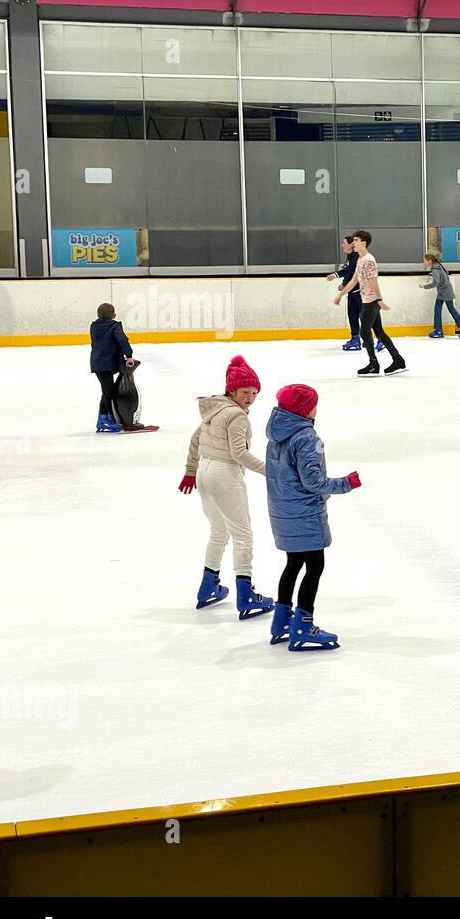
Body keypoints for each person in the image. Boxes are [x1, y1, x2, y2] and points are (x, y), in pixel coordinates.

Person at [264, 383, 361, 651]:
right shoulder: (307, 437)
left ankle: (282, 620)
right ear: (307, 408)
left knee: (293, 563)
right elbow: (314, 482)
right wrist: (345, 483)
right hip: (304, 514)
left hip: (283, 511)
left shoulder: (277, 434)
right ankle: (303, 625)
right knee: (314, 566)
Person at [179, 355, 274, 619]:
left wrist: (190, 472)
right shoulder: (237, 417)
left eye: (255, 392)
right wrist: (271, 471)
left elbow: (196, 440)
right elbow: (239, 454)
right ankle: (246, 596)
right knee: (243, 535)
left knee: (219, 531)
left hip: (205, 473)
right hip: (224, 475)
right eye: (245, 392)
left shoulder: (215, 409)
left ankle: (208, 587)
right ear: (232, 389)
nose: (251, 397)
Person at [336, 230, 405, 377]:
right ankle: (398, 360)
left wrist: (379, 300)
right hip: (366, 299)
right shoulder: (361, 259)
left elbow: (373, 281)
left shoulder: (368, 260)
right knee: (379, 331)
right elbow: (354, 280)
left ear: (363, 242)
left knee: (364, 331)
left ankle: (374, 363)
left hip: (371, 301)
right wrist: (341, 295)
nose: (353, 243)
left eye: (356, 240)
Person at [89, 303, 135, 434]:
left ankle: (110, 417)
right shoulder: (114, 326)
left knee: (109, 391)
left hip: (99, 363)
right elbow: (122, 341)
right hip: (107, 364)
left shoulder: (94, 326)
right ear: (114, 315)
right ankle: (103, 419)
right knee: (108, 392)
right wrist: (129, 355)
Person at [326, 236, 367, 353]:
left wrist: (335, 275)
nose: (342, 245)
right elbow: (349, 273)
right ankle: (355, 339)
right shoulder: (350, 257)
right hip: (352, 292)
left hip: (360, 292)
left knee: (365, 317)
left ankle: (380, 339)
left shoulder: (356, 257)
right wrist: (344, 284)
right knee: (352, 316)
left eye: (344, 243)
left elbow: (351, 272)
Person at [420, 250, 460, 339]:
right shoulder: (437, 267)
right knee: (437, 309)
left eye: (425, 260)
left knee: (451, 309)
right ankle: (438, 330)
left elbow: (436, 282)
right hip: (442, 292)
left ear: (429, 261)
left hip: (446, 291)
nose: (424, 262)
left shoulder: (436, 269)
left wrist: (424, 286)